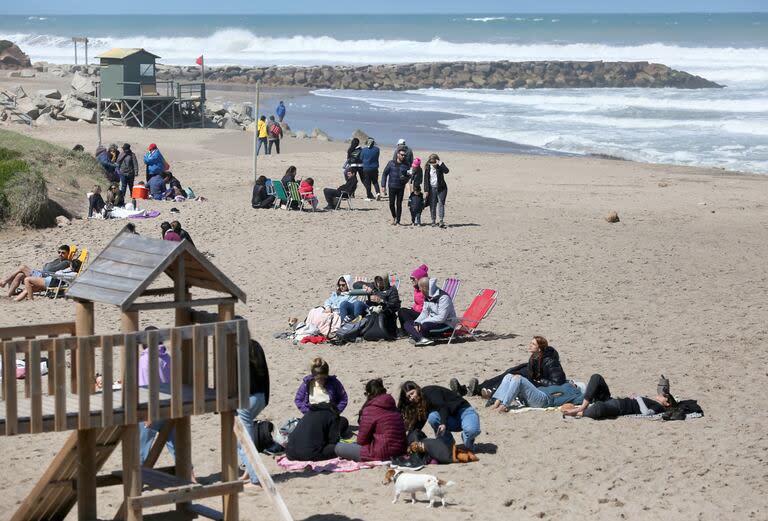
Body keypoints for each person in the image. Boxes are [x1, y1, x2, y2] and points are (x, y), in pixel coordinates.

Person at [452, 336, 566, 399]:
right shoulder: (535, 358)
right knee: (506, 373)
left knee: (510, 377)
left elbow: (558, 382)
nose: (529, 345)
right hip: (531, 376)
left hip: (537, 383)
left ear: (540, 349)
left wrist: (539, 380)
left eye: (533, 344)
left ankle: (487, 392)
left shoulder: (551, 362)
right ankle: (467, 389)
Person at [334, 378, 407, 462]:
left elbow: (361, 441)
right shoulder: (393, 406)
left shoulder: (370, 410)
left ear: (368, 393)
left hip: (381, 453)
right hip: (400, 450)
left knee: (338, 447)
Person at [398, 381, 480, 451]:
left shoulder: (429, 392)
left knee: (472, 431)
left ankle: (467, 438)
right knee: (433, 417)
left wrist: (443, 423)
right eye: (408, 397)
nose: (411, 397)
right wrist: (407, 441)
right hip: (451, 420)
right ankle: (448, 445)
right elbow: (419, 424)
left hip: (464, 411)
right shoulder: (420, 405)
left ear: (417, 389)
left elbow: (443, 407)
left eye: (412, 393)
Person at [561, 374, 676, 420]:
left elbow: (646, 413)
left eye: (665, 397)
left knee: (599, 408)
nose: (662, 395)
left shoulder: (659, 407)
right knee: (596, 378)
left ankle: (578, 412)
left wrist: (638, 398)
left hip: (620, 407)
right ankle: (583, 406)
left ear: (667, 404)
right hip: (613, 401)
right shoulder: (655, 402)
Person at [138, 326, 175, 464]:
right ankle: (190, 475)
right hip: (169, 406)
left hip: (151, 408)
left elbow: (147, 387)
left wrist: (149, 413)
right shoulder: (166, 357)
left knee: (141, 447)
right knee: (176, 445)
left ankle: (139, 478)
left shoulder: (145, 360)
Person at [237, 338, 270, 484]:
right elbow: (265, 373)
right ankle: (247, 472)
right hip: (260, 397)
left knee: (244, 441)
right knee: (239, 437)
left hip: (246, 400)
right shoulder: (255, 345)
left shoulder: (235, 349)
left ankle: (256, 477)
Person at [403, 277, 456, 346]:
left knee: (423, 326)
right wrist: (417, 322)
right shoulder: (427, 296)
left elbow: (441, 318)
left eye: (420, 287)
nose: (419, 289)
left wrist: (422, 322)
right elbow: (424, 313)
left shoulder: (443, 297)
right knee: (407, 323)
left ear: (425, 288)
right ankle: (422, 339)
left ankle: (417, 336)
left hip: (446, 324)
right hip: (432, 322)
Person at [2, 245, 71, 297]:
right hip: (43, 274)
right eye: (59, 252)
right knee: (19, 275)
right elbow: (46, 266)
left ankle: (4, 281)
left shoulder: (66, 262)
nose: (60, 254)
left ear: (68, 253)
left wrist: (47, 267)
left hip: (45, 277)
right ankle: (9, 295)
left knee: (22, 267)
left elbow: (48, 269)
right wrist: (47, 267)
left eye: (63, 253)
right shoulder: (58, 260)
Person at [12, 259, 80, 302]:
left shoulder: (73, 274)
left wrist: (63, 271)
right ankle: (15, 300)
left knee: (27, 280)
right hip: (51, 280)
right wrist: (67, 270)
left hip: (51, 282)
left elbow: (59, 273)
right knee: (28, 289)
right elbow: (58, 273)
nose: (69, 266)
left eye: (70, 265)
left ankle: (30, 299)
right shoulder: (70, 271)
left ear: (72, 266)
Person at [381, 147, 411, 225]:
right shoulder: (391, 163)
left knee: (399, 204)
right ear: (398, 154)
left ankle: (398, 220)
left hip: (401, 187)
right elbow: (385, 173)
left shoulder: (406, 165)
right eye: (402, 155)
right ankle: (394, 216)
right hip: (391, 186)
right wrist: (383, 185)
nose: (403, 156)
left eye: (404, 155)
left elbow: (409, 175)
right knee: (391, 204)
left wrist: (406, 178)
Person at [397, 264, 428, 335]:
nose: (412, 280)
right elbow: (418, 303)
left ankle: (411, 329)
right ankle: (405, 330)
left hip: (422, 314)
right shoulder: (416, 289)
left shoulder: (425, 290)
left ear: (420, 279)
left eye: (414, 279)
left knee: (403, 312)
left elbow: (427, 306)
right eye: (411, 278)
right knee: (401, 311)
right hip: (416, 311)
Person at [423, 153, 450, 228]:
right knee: (432, 204)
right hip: (431, 188)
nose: (432, 164)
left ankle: (441, 220)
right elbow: (425, 179)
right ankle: (433, 221)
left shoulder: (440, 166)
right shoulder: (428, 167)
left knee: (441, 203)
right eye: (431, 162)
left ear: (437, 161)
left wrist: (441, 163)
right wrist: (426, 190)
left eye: (434, 162)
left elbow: (447, 171)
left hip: (441, 188)